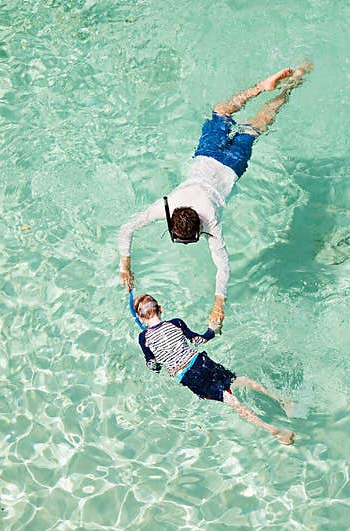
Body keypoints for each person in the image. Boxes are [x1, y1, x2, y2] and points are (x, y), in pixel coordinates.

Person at [118, 63, 313, 333]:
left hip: (232, 166)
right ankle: (259, 87)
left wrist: (218, 305)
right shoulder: (167, 205)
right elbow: (126, 229)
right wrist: (125, 264)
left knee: (255, 126)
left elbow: (223, 268)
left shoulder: (211, 224)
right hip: (207, 156)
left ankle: (291, 87)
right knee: (221, 110)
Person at [132, 293, 295, 445]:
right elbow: (198, 341)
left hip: (189, 376)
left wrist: (159, 364)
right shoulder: (176, 323)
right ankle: (283, 401)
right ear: (160, 309)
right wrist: (212, 330)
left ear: (140, 317)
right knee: (241, 380)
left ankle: (273, 430)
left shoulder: (143, 338)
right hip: (201, 362)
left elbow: (152, 365)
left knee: (232, 401)